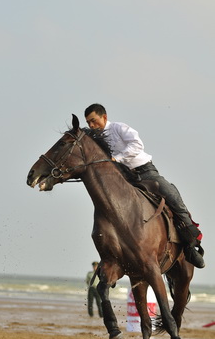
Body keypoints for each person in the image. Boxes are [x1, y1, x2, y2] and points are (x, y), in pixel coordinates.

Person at [84, 103, 205, 269]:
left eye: (93, 121)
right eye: (88, 122)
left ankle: (191, 245)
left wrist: (117, 158)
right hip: (124, 179)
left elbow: (137, 145)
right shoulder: (94, 138)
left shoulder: (119, 128)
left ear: (104, 117)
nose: (91, 125)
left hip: (145, 172)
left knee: (172, 195)